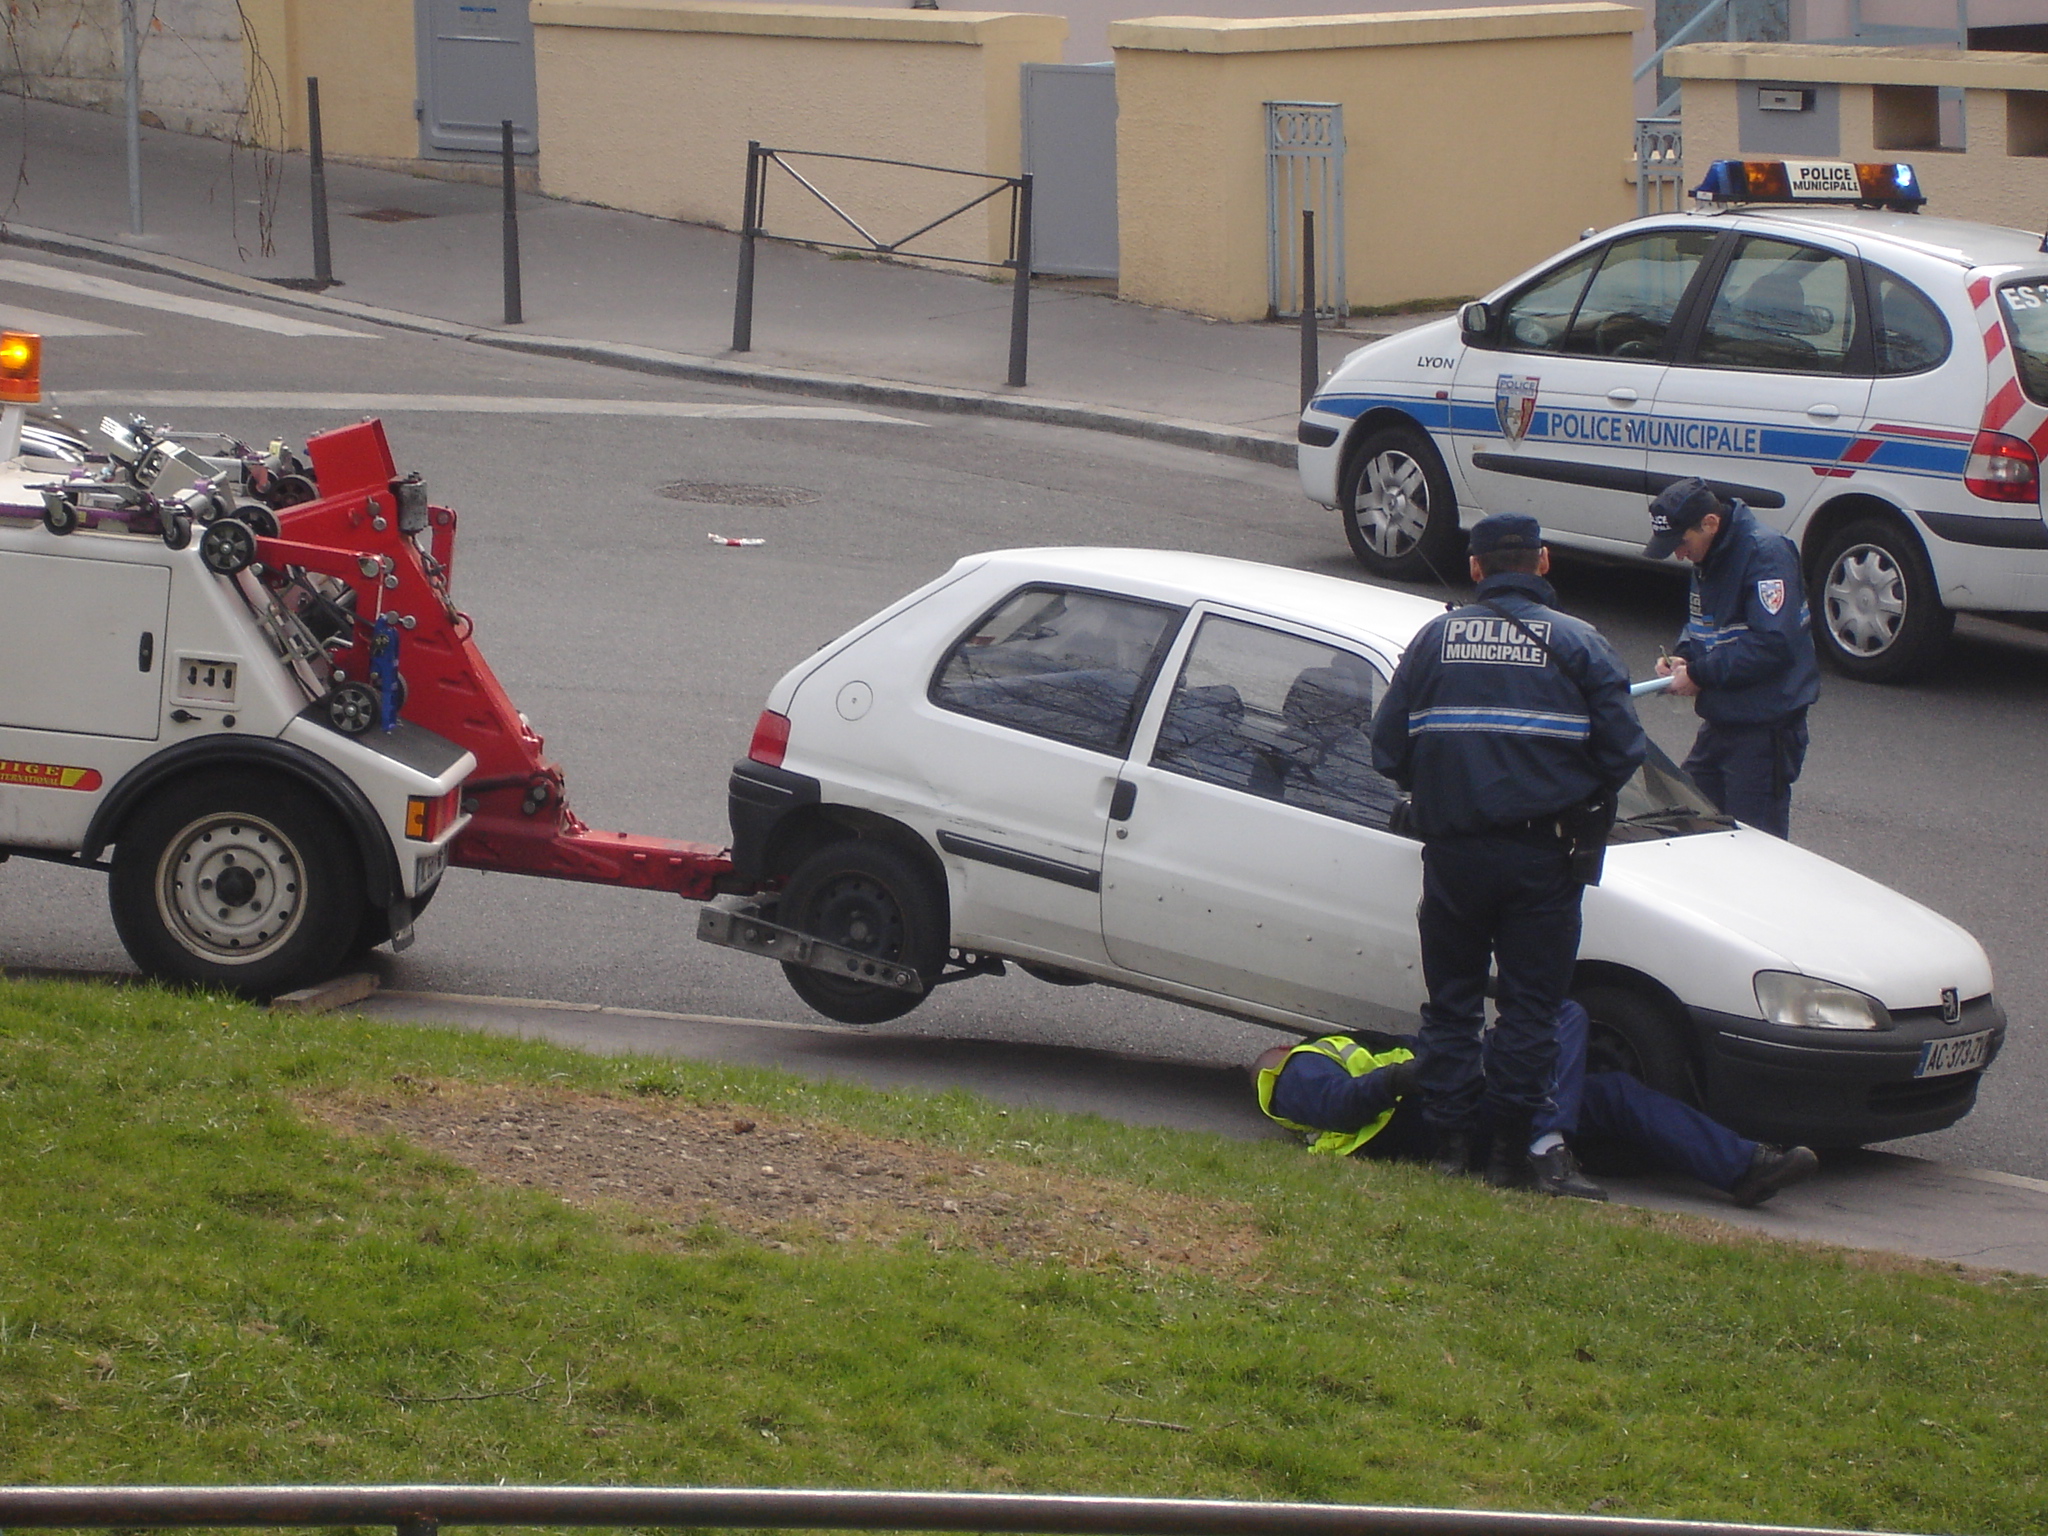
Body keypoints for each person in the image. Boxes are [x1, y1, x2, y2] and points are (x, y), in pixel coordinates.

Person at [1370, 513, 1646, 1195]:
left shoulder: (1435, 641)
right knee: (1529, 1011)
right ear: (1544, 562)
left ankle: (1451, 1146)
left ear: (1475, 569)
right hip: (1543, 861)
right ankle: (1507, 1154)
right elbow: (1623, 754)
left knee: (1453, 1004)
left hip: (1455, 856)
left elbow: (1385, 749)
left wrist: (1444, 781)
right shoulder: (1583, 645)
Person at [1252, 1002, 1821, 1209]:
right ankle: (1545, 1144)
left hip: (1462, 1097)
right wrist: (1408, 1076)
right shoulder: (1292, 1070)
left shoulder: (1354, 1043)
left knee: (1615, 1092)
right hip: (1438, 1120)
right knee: (1562, 1017)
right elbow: (1338, 1108)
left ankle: (1745, 1167)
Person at [1645, 478, 1821, 841]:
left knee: (1753, 843)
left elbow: (1772, 643)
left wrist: (1698, 674)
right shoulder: (1710, 554)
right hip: (1724, 719)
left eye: (1681, 542)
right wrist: (1683, 657)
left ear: (1709, 523)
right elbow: (1703, 624)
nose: (1678, 553)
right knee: (1688, 818)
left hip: (1764, 726)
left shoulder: (1765, 554)